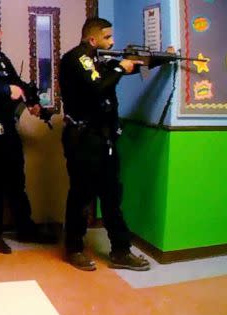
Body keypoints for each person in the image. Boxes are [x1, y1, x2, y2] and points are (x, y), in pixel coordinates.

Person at [59, 17, 170, 271]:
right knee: (81, 196)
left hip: (104, 139)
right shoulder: (77, 58)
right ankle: (73, 249)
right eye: (107, 37)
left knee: (111, 197)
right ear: (92, 39)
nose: (112, 42)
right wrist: (121, 68)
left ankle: (120, 251)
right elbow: (98, 86)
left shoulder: (101, 59)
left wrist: (166, 58)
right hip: (83, 139)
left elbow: (138, 64)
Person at [0, 17, 57, 254]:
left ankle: (25, 229)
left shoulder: (1, 59)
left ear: (0, 34)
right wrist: (7, 90)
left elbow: (18, 84)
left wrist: (34, 102)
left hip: (8, 130)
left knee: (17, 182)